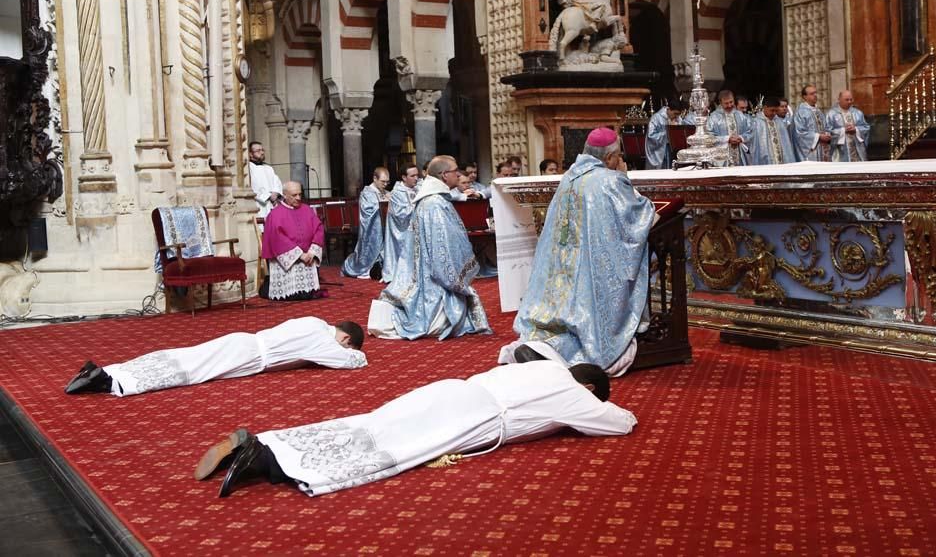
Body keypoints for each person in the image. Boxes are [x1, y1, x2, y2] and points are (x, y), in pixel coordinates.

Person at [194, 360, 636, 498]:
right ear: (591, 387)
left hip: (452, 388)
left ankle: (264, 442)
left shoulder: (545, 364)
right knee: (391, 450)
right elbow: (620, 424)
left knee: (371, 424)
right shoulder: (575, 392)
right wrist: (598, 404)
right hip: (474, 416)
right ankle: (263, 464)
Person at [502, 128, 654, 377]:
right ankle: (555, 352)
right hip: (588, 268)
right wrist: (625, 178)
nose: (619, 161)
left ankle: (540, 346)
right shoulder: (609, 179)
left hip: (561, 268)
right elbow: (638, 214)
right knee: (587, 322)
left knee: (562, 317)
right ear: (609, 158)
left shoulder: (569, 177)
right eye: (618, 156)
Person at [65, 317, 366, 396]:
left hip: (246, 342)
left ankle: (111, 372)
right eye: (347, 345)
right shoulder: (325, 340)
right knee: (191, 372)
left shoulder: (314, 322)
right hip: (249, 355)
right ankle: (111, 382)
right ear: (346, 338)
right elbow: (348, 361)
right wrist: (356, 355)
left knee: (188, 356)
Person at [368, 155, 492, 340]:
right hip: (433, 279)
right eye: (455, 171)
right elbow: (441, 246)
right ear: (444, 175)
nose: (459, 175)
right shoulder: (434, 203)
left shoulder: (436, 199)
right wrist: (454, 279)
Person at [261, 181, 325, 300]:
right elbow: (277, 238)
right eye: (294, 195)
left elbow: (318, 229)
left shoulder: (307, 210)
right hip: (288, 260)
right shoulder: (275, 214)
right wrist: (300, 255)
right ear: (284, 195)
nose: (298, 198)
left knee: (307, 295)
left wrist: (311, 252)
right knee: (291, 296)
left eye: (300, 194)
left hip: (308, 256)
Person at [343, 168, 391, 279]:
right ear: (375, 178)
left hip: (385, 227)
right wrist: (385, 201)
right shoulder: (367, 192)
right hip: (371, 228)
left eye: (387, 182)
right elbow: (369, 210)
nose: (385, 184)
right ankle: (366, 268)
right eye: (382, 181)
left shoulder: (386, 192)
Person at [382, 164, 419, 284]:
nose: (416, 178)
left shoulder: (418, 188)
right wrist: (418, 206)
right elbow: (400, 214)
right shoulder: (397, 192)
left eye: (417, 175)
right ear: (404, 177)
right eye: (412, 176)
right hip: (401, 229)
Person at [706, 90, 752, 166]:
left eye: (731, 102)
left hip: (740, 156)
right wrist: (727, 139)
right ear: (720, 102)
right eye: (726, 103)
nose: (730, 105)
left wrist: (741, 138)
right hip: (722, 158)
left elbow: (750, 131)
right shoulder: (714, 118)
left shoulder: (740, 115)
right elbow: (708, 137)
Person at [750, 96, 797, 165]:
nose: (774, 113)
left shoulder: (779, 122)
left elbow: (787, 146)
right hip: (765, 161)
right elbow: (754, 146)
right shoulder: (756, 123)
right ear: (765, 108)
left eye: (776, 111)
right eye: (772, 110)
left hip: (782, 162)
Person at [827, 90, 870, 162]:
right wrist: (843, 131)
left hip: (857, 151)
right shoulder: (831, 114)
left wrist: (856, 130)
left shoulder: (857, 113)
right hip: (840, 152)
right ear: (839, 100)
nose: (849, 102)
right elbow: (827, 131)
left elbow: (866, 128)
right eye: (846, 100)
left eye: (851, 99)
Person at [793, 84, 833, 161]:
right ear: (804, 97)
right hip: (811, 152)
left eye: (815, 93)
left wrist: (828, 134)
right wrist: (818, 136)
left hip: (823, 149)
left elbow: (826, 127)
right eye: (812, 94)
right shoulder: (800, 112)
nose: (815, 95)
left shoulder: (818, 111)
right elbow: (799, 133)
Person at [248, 141, 283, 221]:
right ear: (250, 154)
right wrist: (268, 196)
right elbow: (252, 187)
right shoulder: (248, 168)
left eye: (262, 150)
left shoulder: (268, 168)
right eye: (258, 151)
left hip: (272, 204)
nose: (262, 152)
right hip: (259, 205)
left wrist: (276, 193)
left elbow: (277, 183)